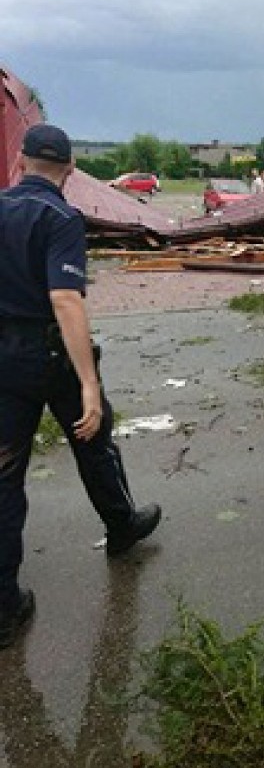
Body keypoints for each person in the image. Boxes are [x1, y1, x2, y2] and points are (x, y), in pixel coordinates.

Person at [0, 124, 161, 649]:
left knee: (4, 477)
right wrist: (88, 382)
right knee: (93, 437)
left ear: (20, 162)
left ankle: (4, 607)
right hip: (50, 355)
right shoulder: (61, 218)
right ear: (69, 171)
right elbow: (66, 300)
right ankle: (121, 526)